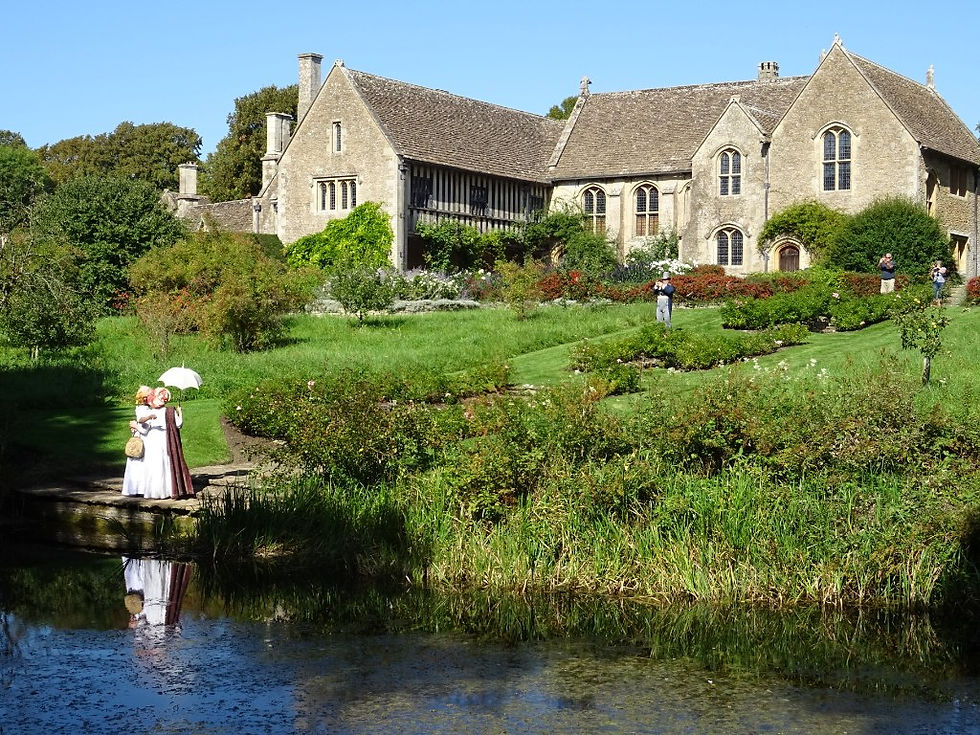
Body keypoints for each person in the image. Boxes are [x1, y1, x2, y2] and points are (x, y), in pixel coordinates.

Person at [122, 386, 155, 497]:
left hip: (144, 439)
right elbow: (143, 429)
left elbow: (143, 428)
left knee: (138, 465)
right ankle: (138, 488)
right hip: (142, 440)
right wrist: (136, 426)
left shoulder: (145, 409)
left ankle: (136, 489)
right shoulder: (143, 410)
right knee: (138, 464)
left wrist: (135, 426)